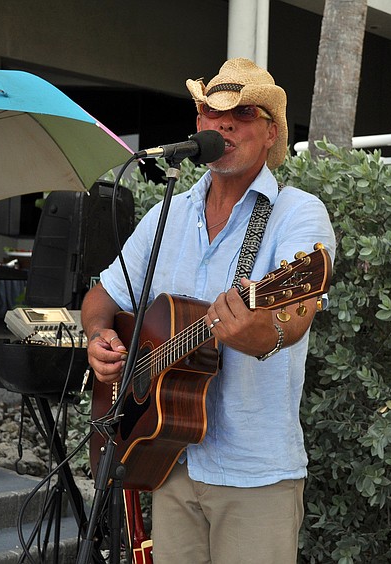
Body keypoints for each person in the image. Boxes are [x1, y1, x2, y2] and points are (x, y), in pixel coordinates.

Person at [81, 57, 336, 563]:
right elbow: (102, 298)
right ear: (198, 123)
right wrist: (98, 338)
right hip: (169, 458)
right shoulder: (167, 213)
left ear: (270, 133)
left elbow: (289, 325)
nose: (223, 123)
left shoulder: (297, 214)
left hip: (255, 474)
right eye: (211, 111)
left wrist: (253, 326)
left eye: (241, 114)